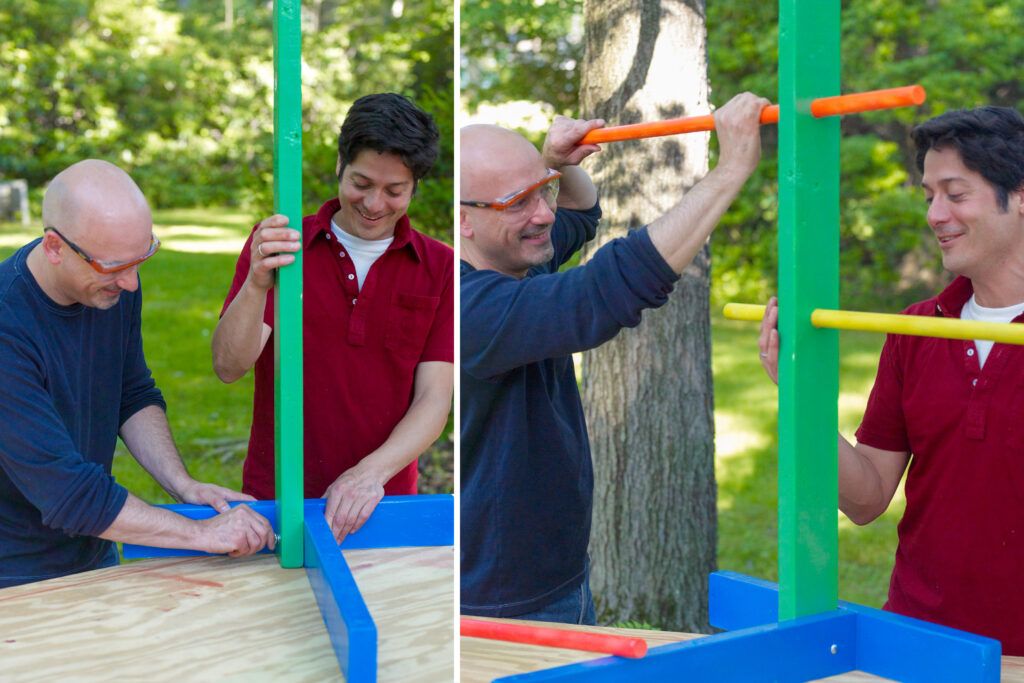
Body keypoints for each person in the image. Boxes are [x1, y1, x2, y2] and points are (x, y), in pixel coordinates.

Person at [460, 92, 769, 623]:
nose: (543, 214)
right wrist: (731, 169)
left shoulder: (512, 256)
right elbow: (606, 291)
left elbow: (580, 213)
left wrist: (554, 164)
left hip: (559, 573)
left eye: (543, 192)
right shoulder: (471, 311)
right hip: (500, 602)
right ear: (462, 221)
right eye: (520, 202)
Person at [757, 106, 1024, 654]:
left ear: (1019, 196)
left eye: (955, 193)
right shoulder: (915, 328)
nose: (935, 214)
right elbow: (866, 498)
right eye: (929, 195)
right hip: (918, 639)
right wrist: (798, 395)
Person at [0, 160, 276, 589]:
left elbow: (131, 393)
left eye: (143, 257)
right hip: (15, 574)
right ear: (54, 247)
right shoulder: (7, 329)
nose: (131, 282)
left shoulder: (111, 287)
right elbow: (67, 494)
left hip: (94, 543)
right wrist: (201, 534)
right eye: (114, 267)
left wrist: (183, 485)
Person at [212, 93, 454, 543]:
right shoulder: (281, 245)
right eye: (362, 182)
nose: (375, 203)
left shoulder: (441, 268)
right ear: (340, 164)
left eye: (394, 191)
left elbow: (434, 400)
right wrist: (257, 284)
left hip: (384, 501)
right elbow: (229, 366)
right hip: (275, 500)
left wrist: (368, 476)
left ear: (415, 186)